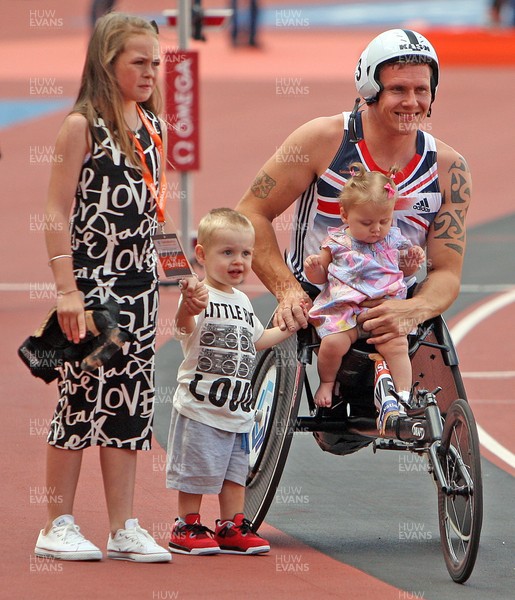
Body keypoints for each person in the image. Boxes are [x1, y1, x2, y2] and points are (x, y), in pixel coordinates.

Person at [34, 12, 181, 562]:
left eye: (156, 63)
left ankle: (123, 527)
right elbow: (54, 209)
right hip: (93, 287)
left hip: (142, 288)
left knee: (130, 405)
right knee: (79, 398)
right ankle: (57, 523)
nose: (150, 72)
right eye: (138, 62)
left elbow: (154, 212)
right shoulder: (82, 126)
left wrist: (182, 280)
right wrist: (65, 288)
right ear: (107, 62)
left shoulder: (152, 125)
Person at [236, 28, 471, 353]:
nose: (412, 102)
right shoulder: (322, 140)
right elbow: (250, 212)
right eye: (398, 89)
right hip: (319, 298)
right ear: (370, 90)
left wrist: (412, 310)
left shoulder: (449, 169)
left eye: (421, 90)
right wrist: (287, 290)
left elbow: (446, 272)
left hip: (393, 301)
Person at [166, 208, 298, 555]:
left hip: (237, 410)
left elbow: (256, 340)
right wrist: (186, 308)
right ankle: (188, 524)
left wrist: (289, 326)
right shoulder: (199, 296)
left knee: (234, 474)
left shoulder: (242, 301)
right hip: (201, 406)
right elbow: (184, 329)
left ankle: (230, 525)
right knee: (196, 470)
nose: (237, 261)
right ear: (202, 254)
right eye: (227, 252)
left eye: (245, 253)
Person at [304, 163, 425, 430]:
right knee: (333, 345)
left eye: (384, 221)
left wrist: (411, 263)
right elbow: (321, 277)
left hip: (385, 309)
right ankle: (327, 382)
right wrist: (315, 269)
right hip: (345, 310)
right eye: (367, 223)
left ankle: (403, 396)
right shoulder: (336, 242)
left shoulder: (393, 238)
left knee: (397, 346)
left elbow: (402, 270)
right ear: (345, 215)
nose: (376, 229)